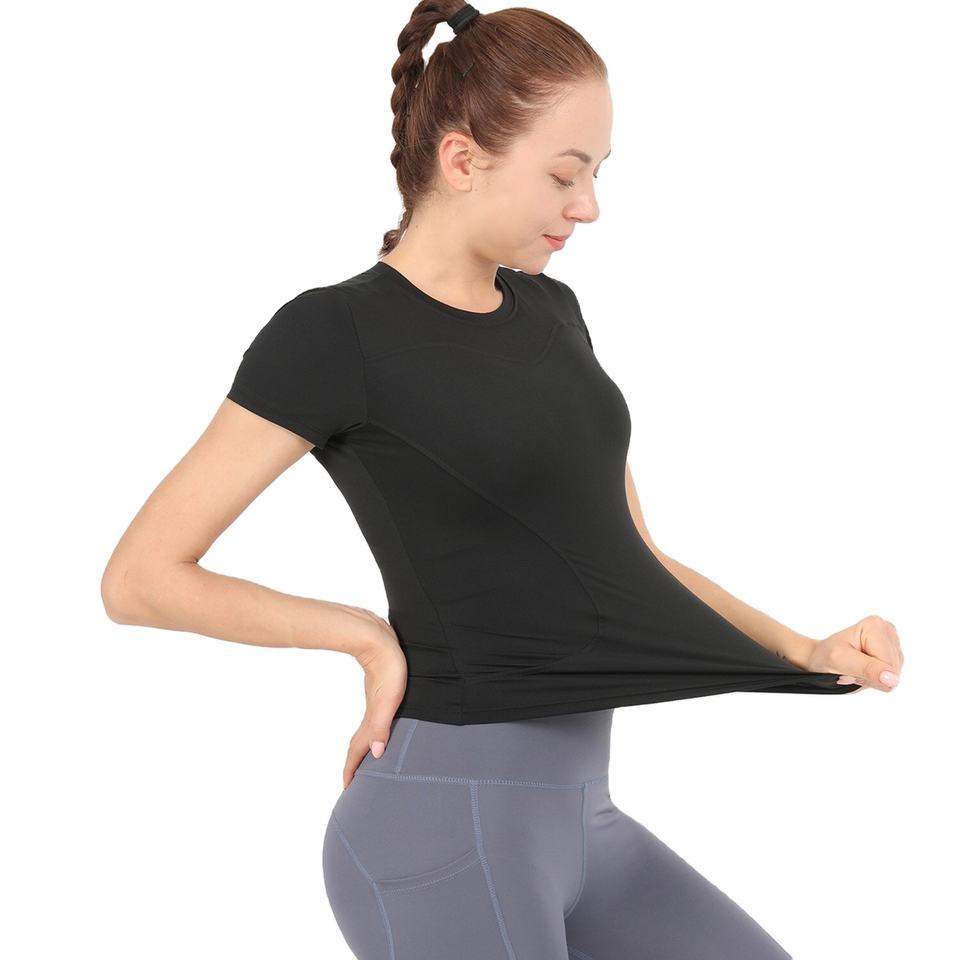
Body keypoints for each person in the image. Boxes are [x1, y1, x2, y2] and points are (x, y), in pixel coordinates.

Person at [101, 3, 904, 957]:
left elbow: (631, 560)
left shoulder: (554, 314)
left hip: (584, 825)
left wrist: (806, 648)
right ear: (461, 159)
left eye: (598, 174)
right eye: (565, 175)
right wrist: (363, 638)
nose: (588, 206)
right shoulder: (335, 335)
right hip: (441, 826)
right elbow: (141, 578)